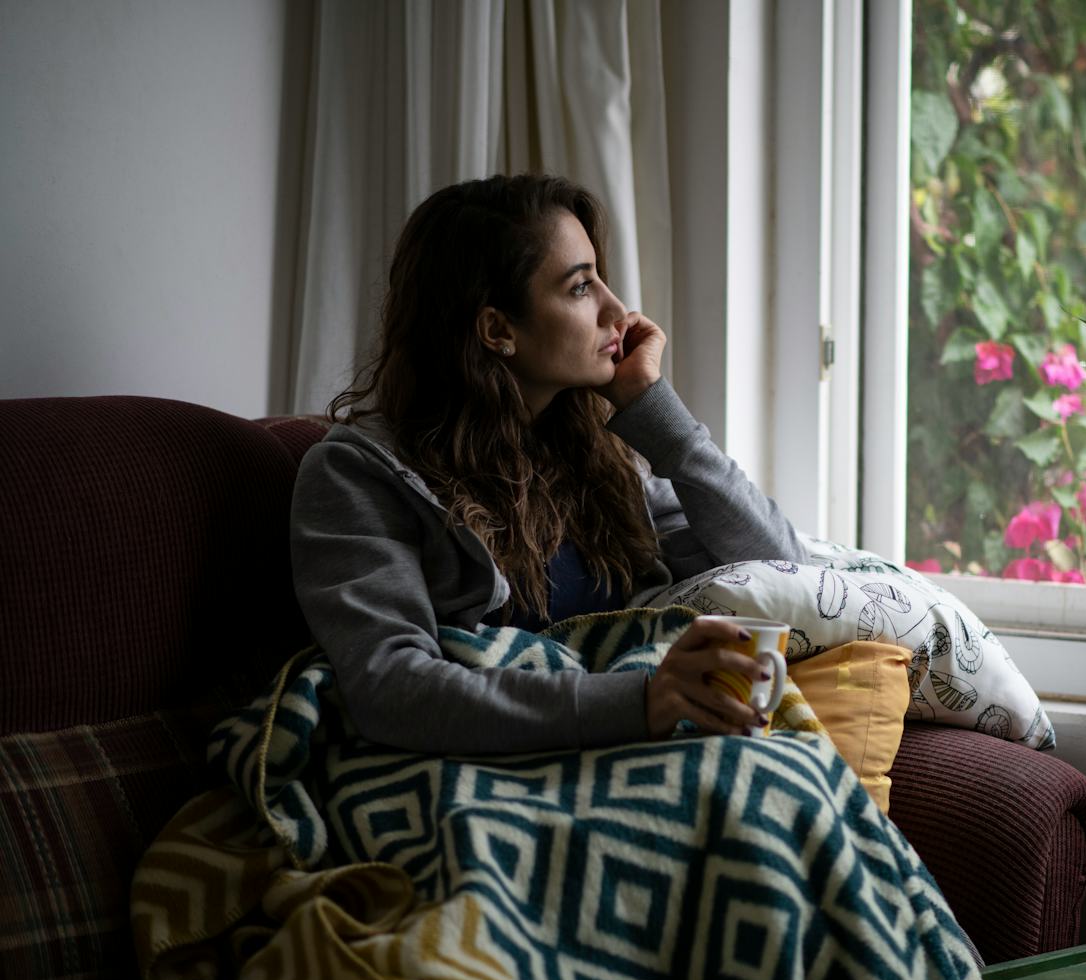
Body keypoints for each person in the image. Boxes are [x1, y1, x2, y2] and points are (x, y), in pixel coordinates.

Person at [290, 173, 809, 756]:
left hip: (635, 745)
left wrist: (657, 414)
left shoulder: (603, 461)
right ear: (497, 329)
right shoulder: (359, 474)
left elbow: (782, 573)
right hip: (511, 767)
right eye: (581, 287)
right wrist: (643, 702)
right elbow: (390, 688)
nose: (619, 311)